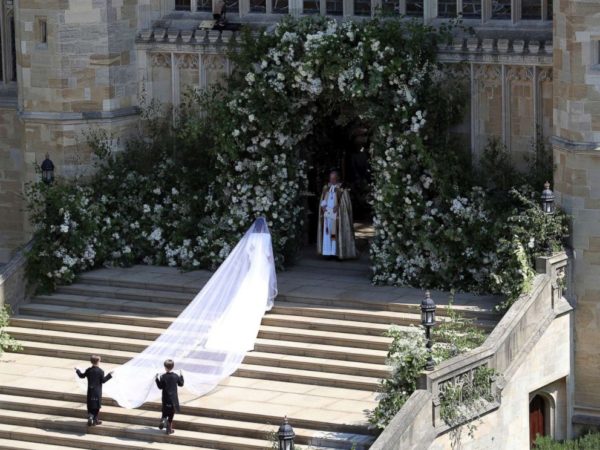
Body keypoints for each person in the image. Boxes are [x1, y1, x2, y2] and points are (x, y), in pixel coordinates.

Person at [317, 169, 357, 260]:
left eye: (334, 178)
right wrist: (323, 206)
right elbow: (322, 199)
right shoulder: (326, 188)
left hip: (337, 216)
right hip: (327, 215)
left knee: (334, 234)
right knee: (328, 234)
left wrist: (338, 207)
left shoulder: (342, 189)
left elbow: (346, 205)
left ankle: (335, 252)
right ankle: (328, 252)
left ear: (338, 178)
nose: (332, 180)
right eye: (330, 178)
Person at [75, 355, 113, 426]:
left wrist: (77, 370)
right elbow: (103, 381)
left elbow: (81, 376)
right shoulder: (101, 371)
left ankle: (90, 416)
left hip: (90, 391)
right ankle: (95, 420)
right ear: (98, 362)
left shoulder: (89, 370)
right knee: (96, 406)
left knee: (90, 405)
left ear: (91, 362)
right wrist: (109, 375)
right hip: (97, 392)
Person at [156, 359, 184, 435]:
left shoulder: (163, 377)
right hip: (173, 399)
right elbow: (181, 384)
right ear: (173, 367)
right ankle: (169, 429)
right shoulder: (176, 376)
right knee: (171, 413)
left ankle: (163, 419)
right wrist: (181, 376)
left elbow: (160, 386)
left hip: (165, 398)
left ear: (165, 367)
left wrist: (156, 379)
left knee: (165, 410)